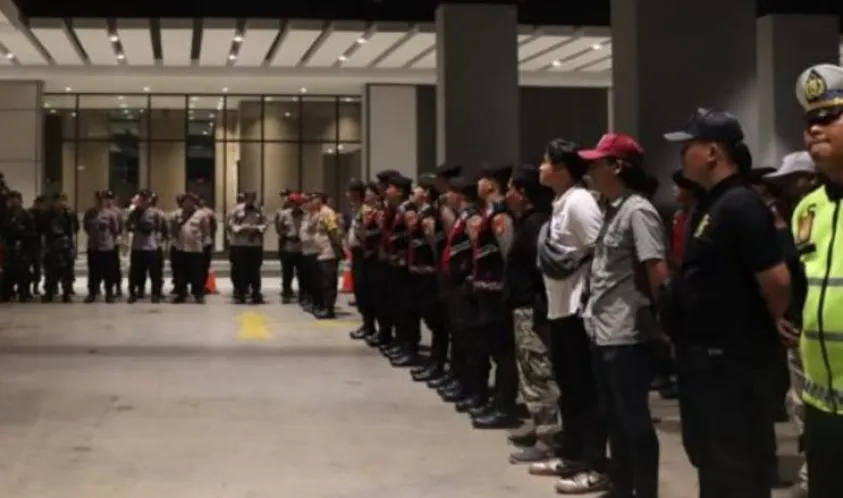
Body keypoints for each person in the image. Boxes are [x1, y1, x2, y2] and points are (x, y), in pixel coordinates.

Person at [662, 108, 791, 498]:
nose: (681, 155)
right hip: (706, 365)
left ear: (712, 152)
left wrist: (774, 317)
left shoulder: (740, 204)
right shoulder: (711, 203)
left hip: (733, 366)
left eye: (688, 146)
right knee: (714, 467)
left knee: (737, 471)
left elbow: (777, 281)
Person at [579, 132, 669, 498]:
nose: (590, 172)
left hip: (627, 333)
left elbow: (656, 269)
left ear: (617, 166)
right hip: (603, 330)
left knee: (634, 422)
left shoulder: (638, 211)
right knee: (614, 418)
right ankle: (621, 487)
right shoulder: (612, 210)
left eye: (597, 164)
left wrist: (665, 324)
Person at [531, 138, 609, 494]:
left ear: (562, 169)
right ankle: (571, 454)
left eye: (545, 161)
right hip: (559, 308)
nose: (540, 167)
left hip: (577, 310)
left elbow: (600, 250)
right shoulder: (561, 201)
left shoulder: (579, 202)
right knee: (570, 390)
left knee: (585, 392)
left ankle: (593, 463)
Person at [789, 64, 843, 498]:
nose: (814, 129)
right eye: (809, 120)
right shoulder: (807, 209)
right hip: (821, 400)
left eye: (828, 117)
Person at [503, 164, 557, 463]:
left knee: (538, 375)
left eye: (510, 189)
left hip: (532, 310)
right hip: (523, 308)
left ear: (522, 193)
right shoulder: (528, 221)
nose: (507, 195)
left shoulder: (536, 224)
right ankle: (539, 429)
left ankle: (548, 440)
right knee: (530, 374)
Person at [467, 165, 518, 429]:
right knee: (491, 347)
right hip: (485, 291)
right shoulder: (487, 213)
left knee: (504, 353)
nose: (477, 185)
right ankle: (495, 400)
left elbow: (508, 255)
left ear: (491, 184)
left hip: (497, 293)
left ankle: (504, 406)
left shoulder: (500, 216)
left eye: (481, 180)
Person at [406, 174, 448, 379]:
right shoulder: (420, 213)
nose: (414, 192)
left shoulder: (431, 214)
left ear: (427, 193)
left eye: (419, 188)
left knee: (437, 323)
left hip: (430, 275)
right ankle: (433, 361)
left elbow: (435, 246)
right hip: (419, 273)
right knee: (429, 319)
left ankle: (437, 363)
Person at [381, 175, 418, 360]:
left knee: (407, 308)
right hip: (395, 264)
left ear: (400, 191)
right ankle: (401, 342)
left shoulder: (408, 210)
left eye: (390, 188)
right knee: (397, 307)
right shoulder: (395, 210)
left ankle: (409, 348)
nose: (387, 191)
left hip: (405, 267)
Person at [126, 189, 168, 303]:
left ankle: (156, 294)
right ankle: (134, 293)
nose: (144, 200)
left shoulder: (156, 213)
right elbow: (128, 226)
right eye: (142, 198)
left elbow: (163, 229)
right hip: (137, 246)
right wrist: (135, 227)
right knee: (135, 272)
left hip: (152, 247)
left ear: (150, 199)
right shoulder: (134, 213)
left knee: (155, 273)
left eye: (146, 198)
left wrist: (160, 241)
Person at [227, 191, 267, 304]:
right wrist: (241, 228)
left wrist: (257, 228)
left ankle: (256, 293)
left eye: (253, 198)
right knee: (239, 270)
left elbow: (265, 223)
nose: (251, 200)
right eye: (248, 197)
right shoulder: (236, 210)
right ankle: (240, 293)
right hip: (239, 244)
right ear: (245, 198)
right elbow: (230, 224)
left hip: (254, 244)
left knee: (255, 270)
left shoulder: (259, 210)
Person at [170, 193, 210, 303]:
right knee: (180, 273)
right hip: (180, 247)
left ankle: (198, 294)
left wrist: (203, 245)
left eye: (190, 201)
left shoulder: (201, 215)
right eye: (185, 201)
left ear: (194, 203)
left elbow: (206, 231)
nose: (187, 203)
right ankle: (181, 293)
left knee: (197, 273)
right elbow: (172, 231)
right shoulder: (176, 214)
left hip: (195, 248)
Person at [83, 190, 121, 303]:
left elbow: (115, 230)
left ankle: (109, 294)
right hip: (93, 246)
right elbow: (86, 227)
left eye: (102, 199)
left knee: (108, 272)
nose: (100, 201)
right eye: (98, 199)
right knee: (93, 272)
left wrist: (109, 240)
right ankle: (92, 293)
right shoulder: (89, 213)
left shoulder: (110, 214)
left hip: (107, 247)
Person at [41, 193, 78, 303]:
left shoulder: (69, 214)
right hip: (52, 245)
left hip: (66, 245)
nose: (60, 203)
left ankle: (67, 293)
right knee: (51, 271)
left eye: (63, 200)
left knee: (67, 271)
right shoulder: (47, 215)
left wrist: (72, 247)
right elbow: (43, 231)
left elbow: (74, 230)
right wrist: (44, 248)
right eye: (58, 201)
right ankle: (49, 292)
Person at [311, 192, 342, 319]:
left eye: (314, 199)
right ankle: (325, 307)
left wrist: (338, 248)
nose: (312, 201)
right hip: (322, 252)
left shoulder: (327, 212)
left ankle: (329, 309)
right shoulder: (319, 213)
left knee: (328, 282)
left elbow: (333, 230)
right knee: (323, 282)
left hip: (329, 252)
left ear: (320, 200)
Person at [1, 191, 36, 301]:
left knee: (23, 271)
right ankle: (7, 293)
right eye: (11, 200)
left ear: (20, 201)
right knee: (7, 271)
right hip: (9, 245)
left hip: (23, 246)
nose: (13, 202)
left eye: (15, 200)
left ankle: (24, 292)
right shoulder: (5, 215)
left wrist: (23, 234)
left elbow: (32, 231)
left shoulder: (27, 215)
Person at [275, 190, 304, 304]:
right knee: (287, 272)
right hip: (288, 246)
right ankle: (286, 293)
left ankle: (303, 294)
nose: (295, 205)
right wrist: (285, 235)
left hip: (301, 247)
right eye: (293, 202)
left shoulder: (305, 214)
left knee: (302, 273)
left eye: (297, 203)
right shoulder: (284, 214)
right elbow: (279, 227)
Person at [29, 194, 49, 296]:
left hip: (36, 243)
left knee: (37, 267)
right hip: (32, 243)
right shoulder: (30, 214)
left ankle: (35, 286)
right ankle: (30, 287)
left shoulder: (43, 214)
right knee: (33, 266)